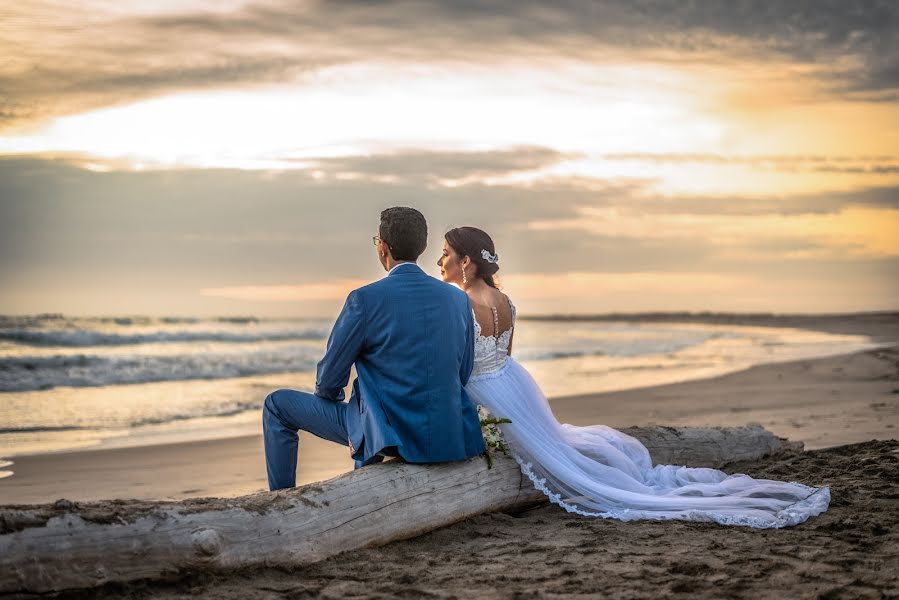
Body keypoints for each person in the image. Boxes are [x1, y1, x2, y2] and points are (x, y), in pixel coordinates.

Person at [437, 226, 831, 528]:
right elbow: (505, 356)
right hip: (513, 384)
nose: (441, 263)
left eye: (446, 255)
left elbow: (460, 360)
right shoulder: (506, 302)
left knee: (561, 462)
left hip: (486, 388)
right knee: (559, 444)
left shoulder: (460, 301)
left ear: (467, 262)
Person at [262, 208, 484, 491]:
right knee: (368, 402)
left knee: (276, 405)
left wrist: (335, 398)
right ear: (424, 247)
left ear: (383, 248)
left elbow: (329, 381)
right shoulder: (457, 299)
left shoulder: (363, 300)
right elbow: (462, 373)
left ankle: (281, 499)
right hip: (448, 430)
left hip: (394, 435)